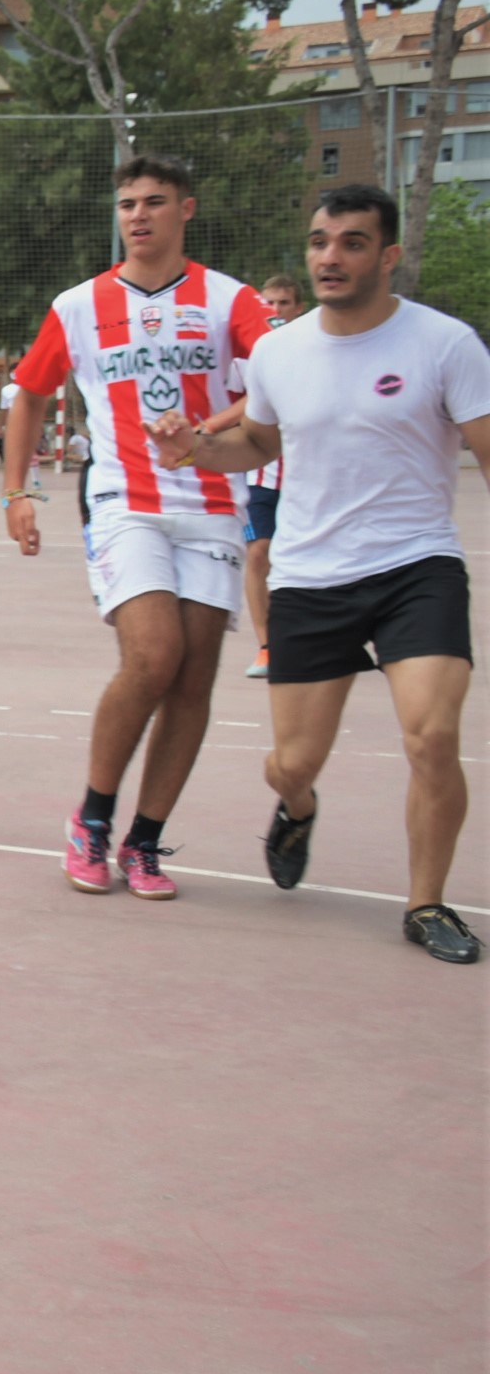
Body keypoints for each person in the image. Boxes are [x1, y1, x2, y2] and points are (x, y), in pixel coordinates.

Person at [147, 186, 490, 964]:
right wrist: (198, 449)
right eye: (319, 242)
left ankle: (428, 904)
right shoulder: (279, 351)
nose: (330, 256)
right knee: (291, 762)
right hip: (309, 576)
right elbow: (261, 445)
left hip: (417, 564)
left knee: (433, 736)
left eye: (353, 243)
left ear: (389, 256)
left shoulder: (447, 345)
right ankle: (297, 808)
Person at [0, 154, 273, 899]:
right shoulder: (79, 306)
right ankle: (91, 818)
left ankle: (145, 841)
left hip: (214, 503)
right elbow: (27, 395)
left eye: (155, 201)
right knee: (153, 654)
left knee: (193, 678)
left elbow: (282, 382)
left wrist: (209, 424)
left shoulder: (229, 300)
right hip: (124, 500)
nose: (139, 215)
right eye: (127, 204)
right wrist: (15, 493)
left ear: (187, 209)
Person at [241, 273, 301, 679]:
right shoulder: (252, 353)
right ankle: (267, 647)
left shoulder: (317, 349)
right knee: (258, 553)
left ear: (298, 308)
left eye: (283, 303)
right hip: (260, 476)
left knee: (301, 561)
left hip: (305, 476)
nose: (275, 311)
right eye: (269, 304)